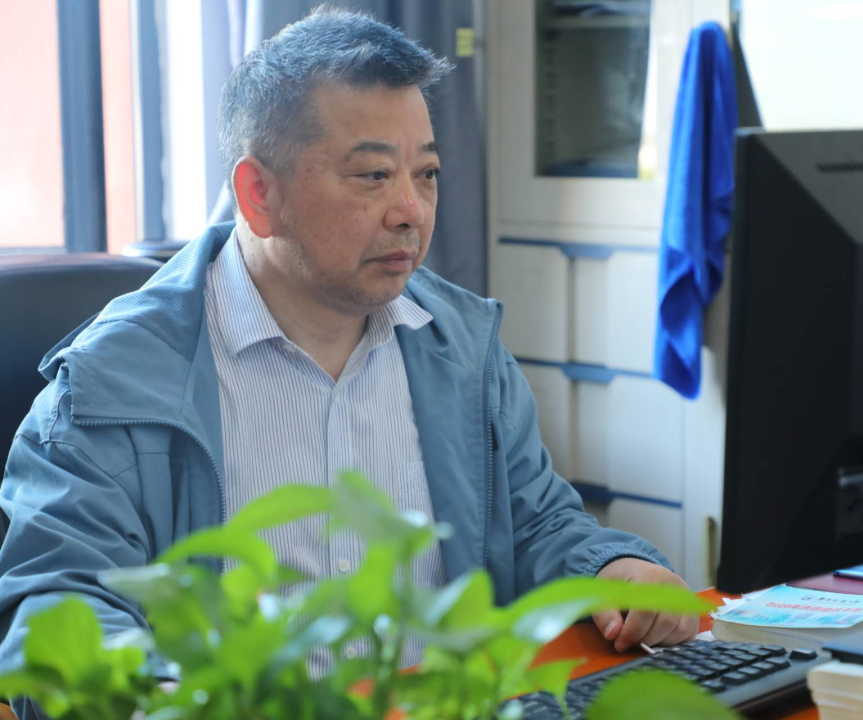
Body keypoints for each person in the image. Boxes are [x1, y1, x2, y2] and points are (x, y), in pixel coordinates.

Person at [0, 8, 697, 715]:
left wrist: (611, 566)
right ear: (259, 195)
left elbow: (535, 524)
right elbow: (55, 608)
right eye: (373, 175)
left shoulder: (464, 347)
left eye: (426, 173)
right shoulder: (110, 383)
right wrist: (165, 698)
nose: (411, 210)